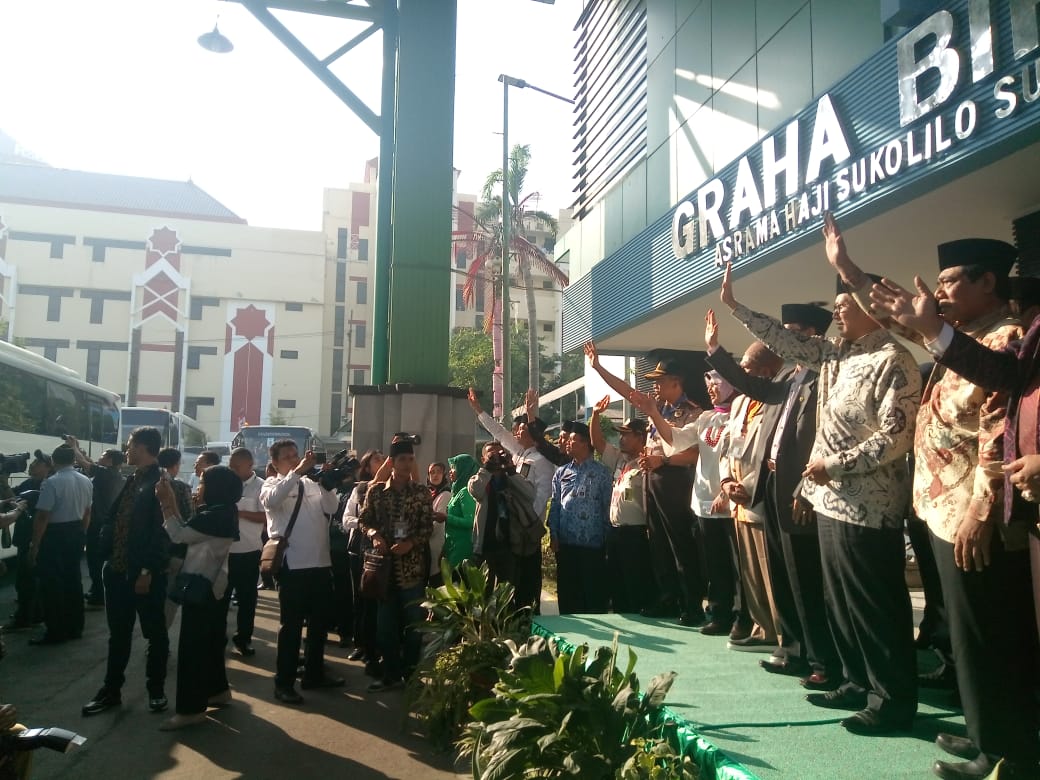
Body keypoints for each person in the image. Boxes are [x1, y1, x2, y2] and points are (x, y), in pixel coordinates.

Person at [721, 252, 921, 735]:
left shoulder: (893, 360)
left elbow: (894, 438)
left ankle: (891, 699)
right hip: (829, 500)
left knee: (874, 603)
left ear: (873, 308)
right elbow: (786, 342)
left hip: (868, 504)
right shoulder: (837, 355)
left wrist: (832, 465)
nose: (836, 315)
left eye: (844, 307)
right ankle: (855, 681)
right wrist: (736, 307)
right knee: (840, 601)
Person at [869, 250, 1040, 779]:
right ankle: (983, 730)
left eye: (949, 281)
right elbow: (915, 329)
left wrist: (981, 508)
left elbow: (995, 429)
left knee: (986, 632)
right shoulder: (970, 336)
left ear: (987, 281)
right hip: (942, 507)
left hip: (971, 509)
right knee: (968, 632)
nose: (940, 292)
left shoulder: (1004, 335)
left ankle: (1004, 749)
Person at [706, 303, 842, 689]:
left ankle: (823, 662)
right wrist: (716, 351)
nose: (778, 340)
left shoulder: (823, 376)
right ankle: (793, 649)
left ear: (813, 336)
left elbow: (820, 440)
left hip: (803, 493)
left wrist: (806, 489)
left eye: (791, 331)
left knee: (808, 581)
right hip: (772, 490)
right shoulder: (792, 376)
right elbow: (754, 386)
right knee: (784, 577)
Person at [584, 344, 706, 625]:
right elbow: (628, 390)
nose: (656, 387)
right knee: (659, 543)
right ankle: (668, 596)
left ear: (676, 382)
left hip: (676, 479)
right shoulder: (657, 408)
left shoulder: (693, 411)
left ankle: (691, 601)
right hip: (652, 479)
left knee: (680, 543)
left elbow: (696, 453)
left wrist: (664, 462)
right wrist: (599, 367)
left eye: (660, 381)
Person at [631, 373, 737, 637]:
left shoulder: (740, 414)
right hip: (702, 498)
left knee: (730, 561)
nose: (711, 387)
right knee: (712, 559)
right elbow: (674, 438)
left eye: (718, 381)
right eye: (708, 382)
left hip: (726, 497)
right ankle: (718, 611)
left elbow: (697, 455)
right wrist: (654, 412)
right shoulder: (706, 418)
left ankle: (735, 614)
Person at [82, 426, 172, 717]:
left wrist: (147, 569)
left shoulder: (161, 482)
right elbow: (113, 518)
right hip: (118, 570)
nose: (127, 449)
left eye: (131, 444)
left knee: (155, 634)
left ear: (144, 448)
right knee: (118, 635)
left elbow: (163, 532)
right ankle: (111, 691)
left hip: (144, 574)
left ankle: (156, 691)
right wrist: (105, 550)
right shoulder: (132, 480)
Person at [156, 464, 241, 731]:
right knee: (212, 642)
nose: (198, 487)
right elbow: (189, 529)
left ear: (215, 487)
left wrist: (166, 503)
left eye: (203, 482)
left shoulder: (215, 515)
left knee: (192, 648)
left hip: (202, 587)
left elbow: (179, 534)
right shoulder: (222, 512)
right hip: (216, 586)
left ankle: (191, 709)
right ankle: (217, 691)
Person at [261, 439, 344, 705]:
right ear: (275, 463)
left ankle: (314, 673)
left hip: (320, 564)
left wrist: (328, 484)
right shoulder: (271, 485)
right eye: (288, 457)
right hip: (293, 566)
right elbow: (274, 502)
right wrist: (297, 471)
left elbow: (331, 508)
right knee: (291, 628)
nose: (295, 459)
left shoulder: (311, 483)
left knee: (319, 626)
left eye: (296, 455)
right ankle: (283, 684)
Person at [717, 343, 785, 653]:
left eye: (747, 369)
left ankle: (779, 631)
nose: (742, 375)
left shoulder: (776, 400)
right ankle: (760, 627)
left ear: (767, 371)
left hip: (759, 496)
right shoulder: (740, 402)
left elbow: (774, 452)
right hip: (737, 497)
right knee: (749, 570)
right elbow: (726, 446)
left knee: (768, 569)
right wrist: (726, 480)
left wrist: (747, 485)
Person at [358, 434, 434, 692]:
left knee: (414, 626)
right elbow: (364, 521)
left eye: (410, 459)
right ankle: (390, 674)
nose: (406, 464)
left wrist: (411, 543)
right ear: (391, 462)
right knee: (385, 627)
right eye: (402, 459)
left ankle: (411, 674)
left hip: (411, 570)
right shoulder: (376, 492)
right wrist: (374, 535)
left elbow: (427, 527)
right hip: (384, 570)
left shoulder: (422, 493)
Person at [587, 397, 654, 613]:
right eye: (621, 434)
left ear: (640, 437)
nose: (621, 439)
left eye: (626, 435)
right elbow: (598, 442)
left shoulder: (648, 461)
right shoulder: (620, 460)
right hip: (615, 532)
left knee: (634, 581)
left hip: (637, 533)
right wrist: (596, 415)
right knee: (616, 582)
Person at [28, 444, 92, 645]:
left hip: (54, 535)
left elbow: (43, 516)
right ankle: (75, 627)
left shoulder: (52, 482)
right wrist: (82, 533)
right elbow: (87, 512)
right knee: (73, 580)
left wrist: (35, 545)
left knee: (53, 584)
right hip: (76, 531)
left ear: (54, 461)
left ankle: (56, 630)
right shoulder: (86, 481)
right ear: (73, 460)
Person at [468, 442, 544, 609]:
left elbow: (530, 495)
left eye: (499, 454)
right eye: (491, 454)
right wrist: (487, 469)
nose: (496, 457)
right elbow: (476, 491)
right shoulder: (480, 478)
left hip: (510, 546)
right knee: (484, 596)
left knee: (506, 595)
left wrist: (510, 470)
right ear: (483, 459)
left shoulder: (510, 479)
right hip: (486, 545)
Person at [547, 422, 612, 614]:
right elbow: (556, 505)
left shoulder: (602, 472)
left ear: (586, 444)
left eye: (573, 440)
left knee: (592, 595)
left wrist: (608, 538)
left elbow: (608, 506)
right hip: (567, 543)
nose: (568, 443)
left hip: (593, 544)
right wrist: (554, 534)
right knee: (568, 594)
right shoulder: (561, 472)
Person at [466, 388, 555, 521]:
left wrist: (528, 521)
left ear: (534, 434)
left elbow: (542, 496)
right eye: (518, 429)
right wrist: (479, 410)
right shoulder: (518, 451)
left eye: (522, 429)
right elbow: (499, 432)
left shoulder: (542, 460)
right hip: (511, 519)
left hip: (527, 524)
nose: (517, 432)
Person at [342, 450, 387, 671]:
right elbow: (346, 519)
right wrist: (365, 524)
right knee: (360, 599)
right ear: (367, 466)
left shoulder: (390, 489)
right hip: (359, 549)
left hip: (380, 551)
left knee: (376, 600)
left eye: (383, 459)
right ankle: (360, 644)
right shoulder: (359, 489)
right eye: (376, 460)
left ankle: (377, 646)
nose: (382, 462)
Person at [67, 439, 125, 607]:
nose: (99, 458)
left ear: (110, 461)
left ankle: (99, 594)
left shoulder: (105, 473)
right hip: (106, 523)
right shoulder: (113, 474)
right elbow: (90, 463)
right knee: (98, 560)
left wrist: (74, 448)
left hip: (98, 524)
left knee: (94, 560)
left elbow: (86, 464)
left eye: (103, 456)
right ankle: (97, 590)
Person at [224, 447, 265, 657]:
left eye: (235, 467)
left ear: (249, 466)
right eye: (230, 465)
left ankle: (244, 638)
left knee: (247, 598)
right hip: (224, 551)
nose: (231, 470)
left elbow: (265, 518)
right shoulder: (225, 484)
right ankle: (218, 637)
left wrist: (239, 512)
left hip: (249, 551)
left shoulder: (261, 487)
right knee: (221, 597)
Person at [6, 453, 53, 632]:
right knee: (28, 579)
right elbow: (13, 499)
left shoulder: (47, 486)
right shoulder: (29, 483)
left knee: (27, 580)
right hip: (26, 537)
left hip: (32, 538)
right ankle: (34, 613)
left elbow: (22, 506)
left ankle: (24, 618)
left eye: (37, 463)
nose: (32, 465)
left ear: (48, 467)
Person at [158, 448, 194, 628]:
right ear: (176, 465)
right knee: (169, 599)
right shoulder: (181, 487)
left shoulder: (145, 483)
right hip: (174, 550)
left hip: (148, 550)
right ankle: (160, 640)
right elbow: (189, 520)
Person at [442, 454, 479, 571]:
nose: (450, 471)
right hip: (453, 546)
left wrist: (446, 518)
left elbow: (471, 521)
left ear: (463, 469)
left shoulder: (465, 492)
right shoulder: (457, 490)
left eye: (454, 467)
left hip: (462, 548)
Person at [427, 461, 451, 584]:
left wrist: (422, 534)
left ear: (444, 475)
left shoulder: (445, 494)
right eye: (432, 472)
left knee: (437, 580)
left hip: (437, 542)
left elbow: (438, 523)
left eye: (439, 472)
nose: (435, 475)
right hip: (428, 543)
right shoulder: (429, 493)